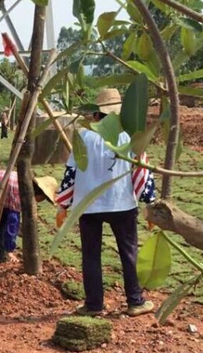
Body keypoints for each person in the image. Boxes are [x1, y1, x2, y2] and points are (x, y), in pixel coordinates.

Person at [56, 88, 156, 317]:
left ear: (95, 114)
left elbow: (71, 172)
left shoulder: (83, 137)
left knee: (91, 256)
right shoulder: (130, 136)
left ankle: (94, 305)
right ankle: (135, 301)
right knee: (129, 253)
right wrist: (150, 203)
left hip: (88, 206)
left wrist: (63, 205)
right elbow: (142, 172)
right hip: (122, 204)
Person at [0, 170, 58, 267]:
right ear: (39, 192)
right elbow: (13, 222)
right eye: (44, 198)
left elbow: (8, 220)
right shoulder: (19, 191)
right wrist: (10, 249)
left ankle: (2, 257)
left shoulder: (23, 184)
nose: (41, 201)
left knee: (3, 221)